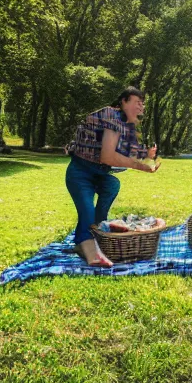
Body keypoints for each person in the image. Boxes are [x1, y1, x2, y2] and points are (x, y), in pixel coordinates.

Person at [65, 86, 159, 266]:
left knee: (112, 185)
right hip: (80, 173)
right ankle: (92, 252)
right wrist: (141, 166)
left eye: (143, 104)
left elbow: (126, 151)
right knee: (87, 212)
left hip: (99, 174)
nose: (141, 107)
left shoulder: (123, 123)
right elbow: (107, 156)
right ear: (123, 102)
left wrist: (146, 155)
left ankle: (98, 235)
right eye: (137, 102)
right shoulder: (113, 116)